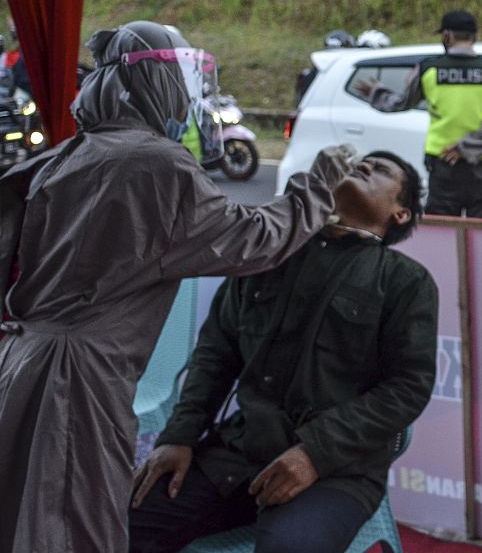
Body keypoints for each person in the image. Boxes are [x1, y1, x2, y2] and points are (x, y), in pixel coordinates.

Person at [0, 21, 356, 553]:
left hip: (26, 364)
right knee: (76, 527)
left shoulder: (74, 153)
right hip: (75, 381)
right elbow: (252, 240)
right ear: (155, 85)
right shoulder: (154, 163)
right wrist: (318, 188)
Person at [128, 151, 437, 553]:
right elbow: (216, 353)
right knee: (118, 523)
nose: (363, 165)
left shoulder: (405, 282)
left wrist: (314, 453)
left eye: (380, 170)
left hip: (338, 472)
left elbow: (407, 388)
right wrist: (179, 436)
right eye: (360, 161)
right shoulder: (273, 251)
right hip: (240, 451)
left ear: (401, 213)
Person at [354, 9, 482, 220]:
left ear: (446, 36)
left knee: (442, 230)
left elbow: (401, 103)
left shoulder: (429, 69)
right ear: (476, 37)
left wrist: (376, 92)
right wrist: (467, 147)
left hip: (443, 167)